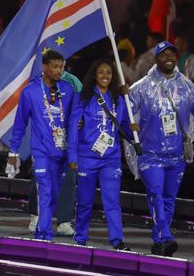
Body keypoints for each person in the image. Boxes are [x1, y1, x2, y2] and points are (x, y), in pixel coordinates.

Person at [128, 41, 194, 256]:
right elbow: (124, 116)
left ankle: (158, 241)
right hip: (150, 155)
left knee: (168, 200)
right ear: (154, 59)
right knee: (156, 194)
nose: (168, 57)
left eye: (171, 54)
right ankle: (166, 235)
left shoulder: (187, 88)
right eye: (163, 54)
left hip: (176, 156)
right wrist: (128, 128)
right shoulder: (141, 88)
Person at [7, 49, 76, 241]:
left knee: (55, 194)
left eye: (61, 67)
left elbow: (74, 119)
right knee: (44, 191)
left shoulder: (68, 90)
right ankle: (44, 233)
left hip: (62, 150)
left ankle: (44, 228)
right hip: (41, 151)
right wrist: (13, 152)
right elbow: (20, 124)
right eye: (55, 67)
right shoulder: (30, 92)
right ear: (44, 67)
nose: (59, 71)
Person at [68, 59, 135, 251]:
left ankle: (117, 241)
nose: (105, 76)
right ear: (94, 75)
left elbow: (123, 128)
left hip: (111, 159)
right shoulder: (84, 97)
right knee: (85, 202)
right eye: (101, 72)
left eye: (109, 73)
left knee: (112, 202)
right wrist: (72, 155)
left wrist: (132, 130)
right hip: (87, 157)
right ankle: (80, 238)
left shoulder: (119, 99)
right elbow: (73, 125)